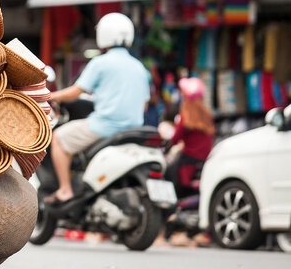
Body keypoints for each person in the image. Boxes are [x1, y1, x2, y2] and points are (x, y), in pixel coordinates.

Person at [45, 13, 150, 204]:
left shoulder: (100, 63)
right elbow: (144, 105)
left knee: (58, 138)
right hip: (134, 129)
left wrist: (49, 96)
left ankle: (65, 190)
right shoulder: (139, 67)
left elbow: (75, 93)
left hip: (105, 126)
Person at [165, 78, 214, 197]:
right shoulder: (207, 114)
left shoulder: (186, 114)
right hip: (205, 158)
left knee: (167, 171)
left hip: (188, 161)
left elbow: (175, 138)